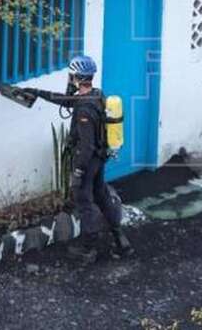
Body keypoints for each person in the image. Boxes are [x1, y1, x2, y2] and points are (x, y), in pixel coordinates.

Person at [20, 55, 133, 262]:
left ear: (77, 77)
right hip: (100, 159)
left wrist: (79, 171)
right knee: (102, 196)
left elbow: (86, 144)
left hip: (88, 161)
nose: (69, 79)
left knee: (85, 202)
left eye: (71, 75)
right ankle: (120, 240)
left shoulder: (84, 110)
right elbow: (66, 100)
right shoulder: (97, 96)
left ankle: (88, 247)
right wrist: (37, 93)